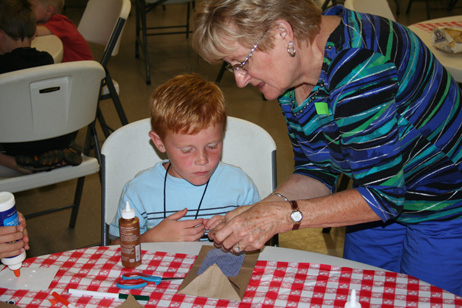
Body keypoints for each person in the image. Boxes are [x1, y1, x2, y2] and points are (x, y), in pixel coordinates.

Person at [192, 0, 462, 296]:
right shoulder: (294, 74)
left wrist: (283, 217)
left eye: (242, 62)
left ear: (283, 33)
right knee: (362, 295)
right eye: (232, 68)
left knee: (423, 300)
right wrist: (260, 212)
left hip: (444, 202)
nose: (241, 80)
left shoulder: (358, 66)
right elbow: (318, 168)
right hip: (375, 194)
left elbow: (383, 197)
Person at [109, 73, 260, 244]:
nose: (202, 160)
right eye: (187, 150)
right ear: (159, 142)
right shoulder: (139, 192)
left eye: (212, 146)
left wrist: (236, 233)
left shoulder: (240, 187)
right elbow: (114, 250)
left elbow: (261, 242)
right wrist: (150, 238)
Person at [0, 0, 82, 173]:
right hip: (58, 136)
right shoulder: (47, 60)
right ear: (34, 34)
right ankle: (59, 152)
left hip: (17, 143)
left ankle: (12, 162)